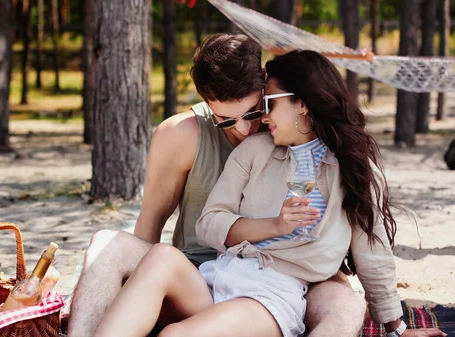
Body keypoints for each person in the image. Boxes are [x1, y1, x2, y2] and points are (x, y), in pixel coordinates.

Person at [91, 50, 448, 337]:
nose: (261, 119)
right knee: (160, 257)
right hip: (220, 275)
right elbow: (210, 225)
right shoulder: (256, 151)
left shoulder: (353, 171)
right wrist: (273, 225)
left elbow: (374, 254)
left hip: (271, 295)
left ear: (303, 103)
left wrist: (396, 328)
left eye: (269, 104)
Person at [67, 35, 367, 337]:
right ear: (207, 103)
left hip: (284, 281)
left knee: (348, 301)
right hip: (199, 276)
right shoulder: (181, 135)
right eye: (225, 120)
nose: (244, 128)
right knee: (108, 243)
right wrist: (139, 290)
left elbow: (347, 212)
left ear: (265, 83)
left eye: (252, 112)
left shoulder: (291, 129)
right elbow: (150, 224)